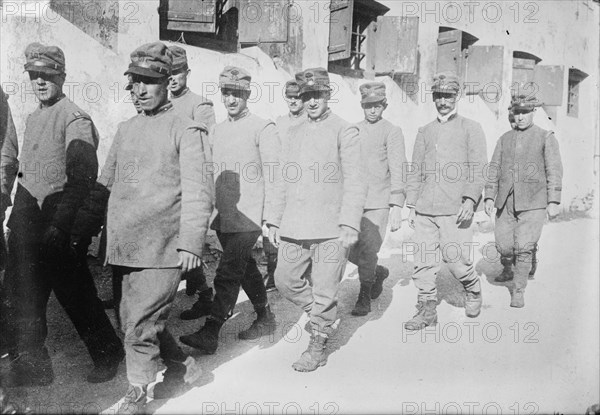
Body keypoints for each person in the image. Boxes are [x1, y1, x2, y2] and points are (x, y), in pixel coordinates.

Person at [78, 42, 212, 411]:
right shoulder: (125, 129)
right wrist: (82, 231)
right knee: (131, 320)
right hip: (125, 246)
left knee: (139, 324)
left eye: (149, 81)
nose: (140, 89)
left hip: (165, 246)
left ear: (166, 82)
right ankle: (182, 367)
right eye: (135, 81)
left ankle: (136, 394)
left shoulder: (186, 129)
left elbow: (200, 191)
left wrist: (191, 243)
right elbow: (103, 186)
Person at [3, 43, 124, 387]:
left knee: (76, 294)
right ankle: (35, 365)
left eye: (48, 75)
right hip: (28, 219)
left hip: (57, 221)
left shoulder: (74, 118)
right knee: (23, 294)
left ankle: (108, 352)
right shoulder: (33, 116)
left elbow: (82, 179)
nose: (40, 81)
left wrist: (61, 225)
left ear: (63, 77)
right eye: (35, 75)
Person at [268, 68, 366, 372]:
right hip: (296, 225)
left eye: (317, 95)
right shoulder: (292, 131)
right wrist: (273, 219)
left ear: (328, 95)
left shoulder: (344, 131)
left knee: (324, 288)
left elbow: (355, 181)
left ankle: (318, 345)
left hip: (330, 229)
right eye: (306, 96)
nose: (311, 102)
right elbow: (282, 179)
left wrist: (349, 223)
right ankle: (323, 316)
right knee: (284, 280)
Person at [179, 66, 280, 354]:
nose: (232, 99)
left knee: (227, 271)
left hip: (249, 215)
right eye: (227, 93)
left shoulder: (263, 128)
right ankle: (265, 316)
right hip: (223, 215)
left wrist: (271, 218)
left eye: (237, 93)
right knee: (245, 268)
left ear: (247, 94)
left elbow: (275, 175)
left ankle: (211, 331)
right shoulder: (217, 131)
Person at [404, 72, 487, 330]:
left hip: (455, 209)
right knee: (423, 262)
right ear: (434, 98)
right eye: (439, 96)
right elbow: (415, 169)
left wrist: (470, 200)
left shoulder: (471, 128)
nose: (443, 101)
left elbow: (478, 167)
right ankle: (427, 311)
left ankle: (472, 289)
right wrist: (411, 205)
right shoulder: (425, 131)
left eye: (448, 96)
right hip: (425, 210)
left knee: (456, 261)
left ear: (457, 96)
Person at [484, 93, 563, 308]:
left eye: (525, 112)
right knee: (505, 247)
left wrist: (553, 201)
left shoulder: (545, 137)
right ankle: (509, 265)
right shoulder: (504, 139)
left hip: (534, 202)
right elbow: (494, 168)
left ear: (533, 113)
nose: (520, 117)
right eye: (516, 113)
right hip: (506, 202)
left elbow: (554, 170)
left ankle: (518, 290)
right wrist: (489, 195)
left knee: (523, 247)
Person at [167, 45, 217, 321]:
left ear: (187, 72)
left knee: (185, 240)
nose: (172, 78)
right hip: (165, 185)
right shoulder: (160, 102)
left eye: (177, 72)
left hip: (188, 187)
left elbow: (206, 147)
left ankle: (205, 294)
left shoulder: (199, 105)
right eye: (168, 72)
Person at [348, 82, 407, 316]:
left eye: (377, 105)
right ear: (362, 106)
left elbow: (398, 169)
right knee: (345, 249)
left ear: (385, 106)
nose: (373, 110)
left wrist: (396, 207)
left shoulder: (391, 131)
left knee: (368, 250)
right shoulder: (352, 130)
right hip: (353, 202)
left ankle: (364, 296)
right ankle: (378, 272)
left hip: (378, 202)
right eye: (368, 106)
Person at [263, 80, 307, 292]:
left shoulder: (310, 121)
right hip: (277, 182)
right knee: (270, 226)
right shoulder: (278, 123)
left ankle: (300, 272)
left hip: (300, 183)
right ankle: (273, 272)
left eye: (297, 97)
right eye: (289, 97)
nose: (293, 101)